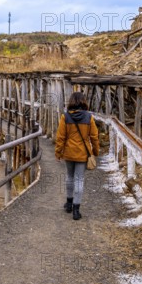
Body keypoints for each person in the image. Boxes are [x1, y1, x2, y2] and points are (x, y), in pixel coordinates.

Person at [55, 92, 99, 220]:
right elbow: (94, 137)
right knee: (79, 179)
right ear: (83, 101)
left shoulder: (65, 116)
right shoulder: (89, 117)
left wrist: (58, 152)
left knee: (69, 176)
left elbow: (60, 137)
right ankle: (76, 209)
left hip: (69, 152)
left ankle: (68, 203)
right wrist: (95, 152)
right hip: (83, 153)